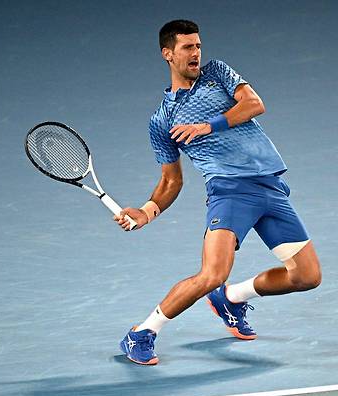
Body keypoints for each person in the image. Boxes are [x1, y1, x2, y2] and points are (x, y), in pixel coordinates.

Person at [114, 19, 321, 365]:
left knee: (307, 276)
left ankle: (232, 298)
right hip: (230, 192)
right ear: (168, 54)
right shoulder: (162, 120)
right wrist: (147, 210)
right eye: (187, 48)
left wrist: (209, 125)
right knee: (212, 273)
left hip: (270, 186)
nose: (196, 53)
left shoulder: (217, 73)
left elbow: (254, 103)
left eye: (198, 46)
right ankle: (142, 332)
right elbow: (171, 181)